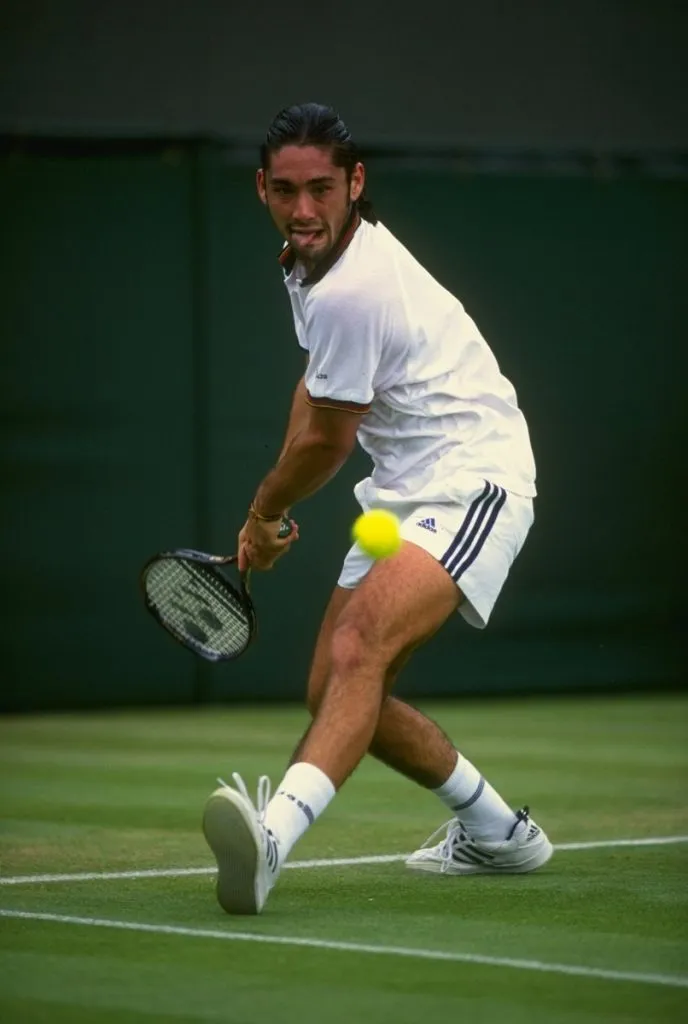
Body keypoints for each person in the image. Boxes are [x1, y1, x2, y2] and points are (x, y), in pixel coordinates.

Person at [201, 102, 553, 915]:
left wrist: (262, 513)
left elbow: (326, 443)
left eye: (321, 189)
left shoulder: (355, 286)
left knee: (360, 642)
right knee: (334, 686)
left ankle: (271, 841)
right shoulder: (305, 264)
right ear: (262, 190)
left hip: (476, 476)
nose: (303, 209)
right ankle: (500, 833)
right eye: (285, 191)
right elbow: (317, 387)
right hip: (403, 484)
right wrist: (268, 508)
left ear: (356, 183)